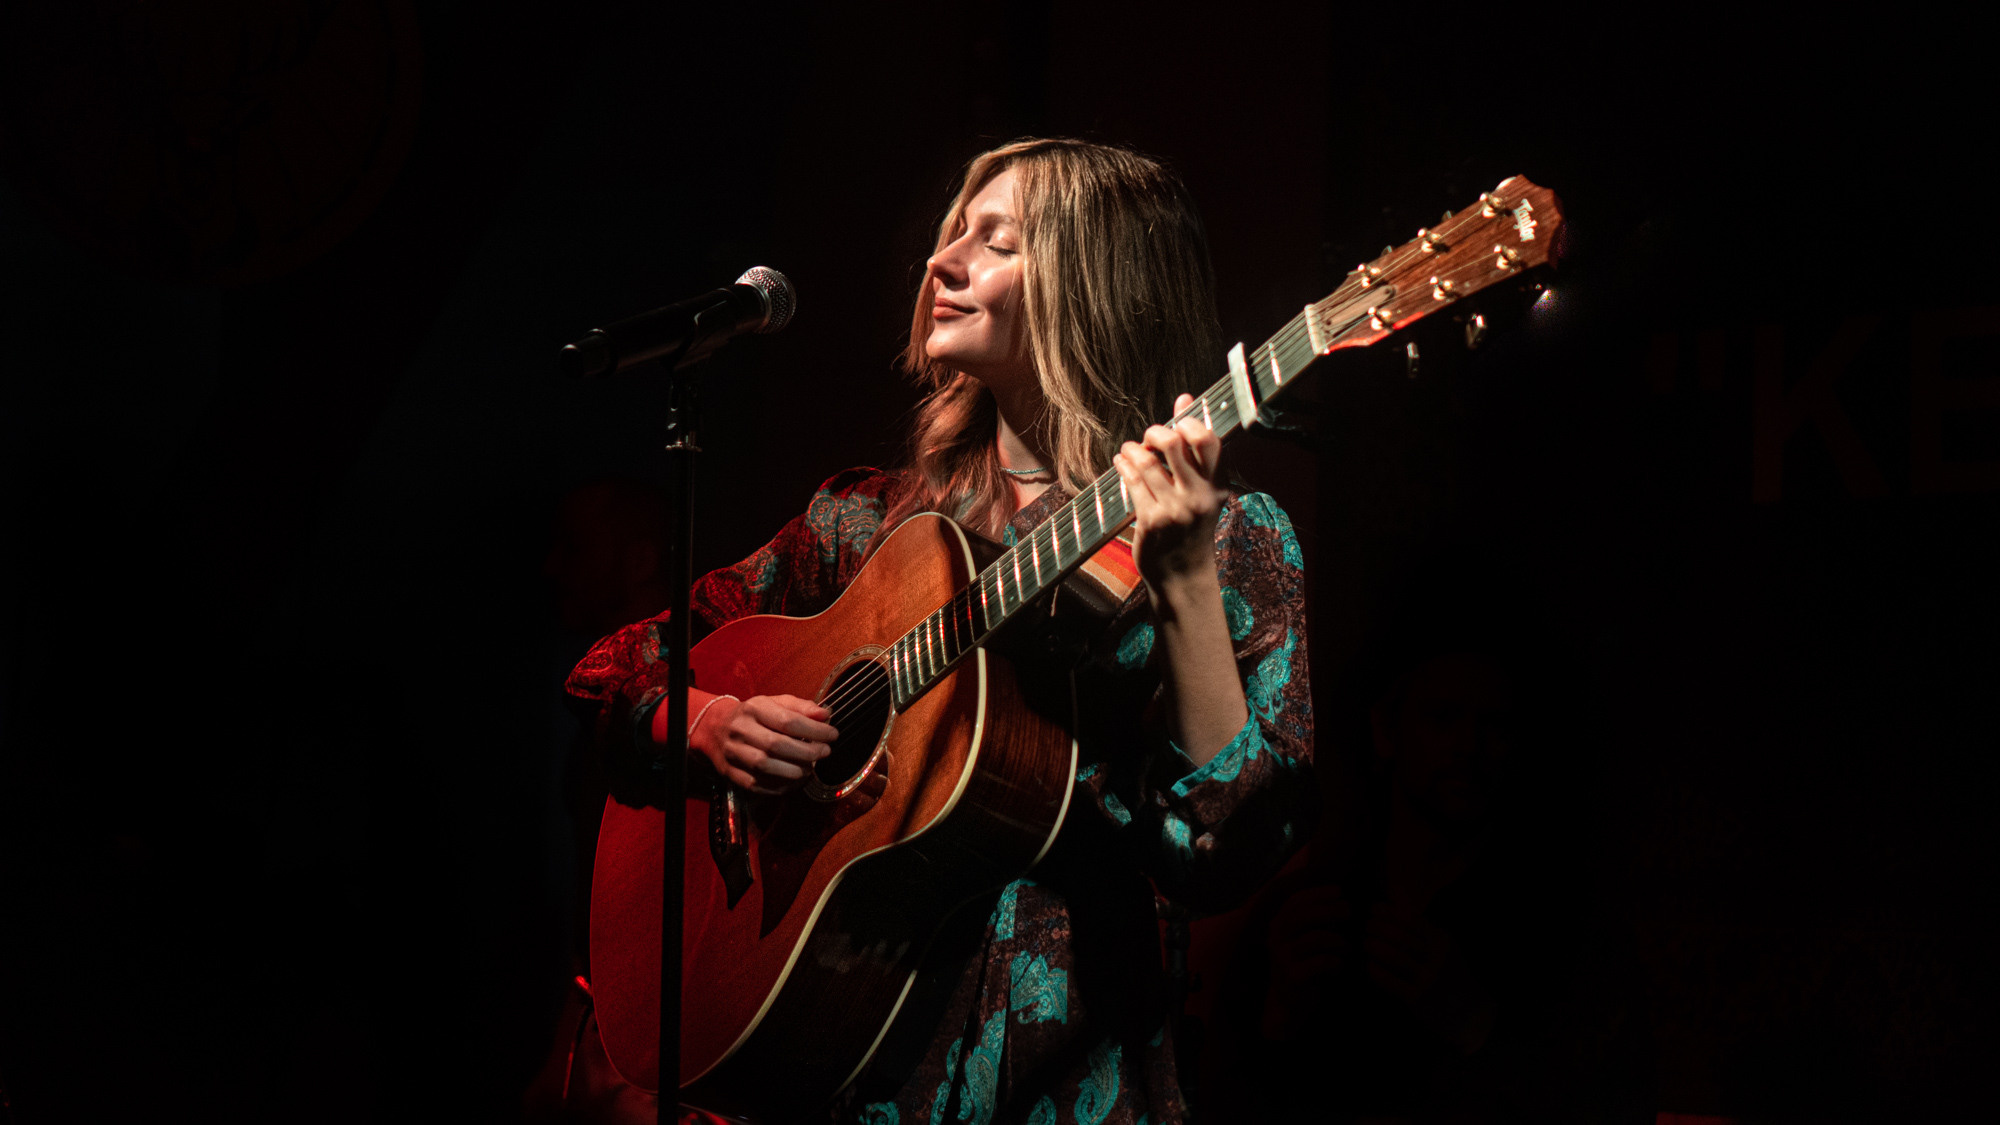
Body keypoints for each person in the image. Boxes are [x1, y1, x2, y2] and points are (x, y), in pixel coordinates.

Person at [561, 138, 1314, 1125]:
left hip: (1067, 1080)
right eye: (947, 235)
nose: (942, 261)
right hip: (841, 1078)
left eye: (995, 241)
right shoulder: (865, 528)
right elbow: (618, 667)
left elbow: (1231, 853)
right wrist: (706, 723)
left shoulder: (1226, 535)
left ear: (1099, 280)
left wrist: (1175, 582)